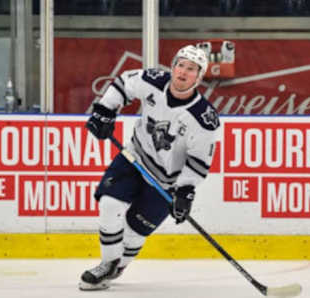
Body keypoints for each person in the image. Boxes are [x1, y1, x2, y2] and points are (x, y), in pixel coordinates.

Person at [80, 44, 220, 291]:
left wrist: (185, 191)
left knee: (135, 231)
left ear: (198, 77)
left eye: (191, 69)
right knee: (110, 204)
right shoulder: (154, 79)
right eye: (180, 65)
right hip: (135, 157)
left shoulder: (204, 118)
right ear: (173, 66)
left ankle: (118, 266)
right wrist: (104, 111)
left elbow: (198, 162)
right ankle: (106, 264)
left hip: (166, 180)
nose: (183, 72)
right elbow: (124, 84)